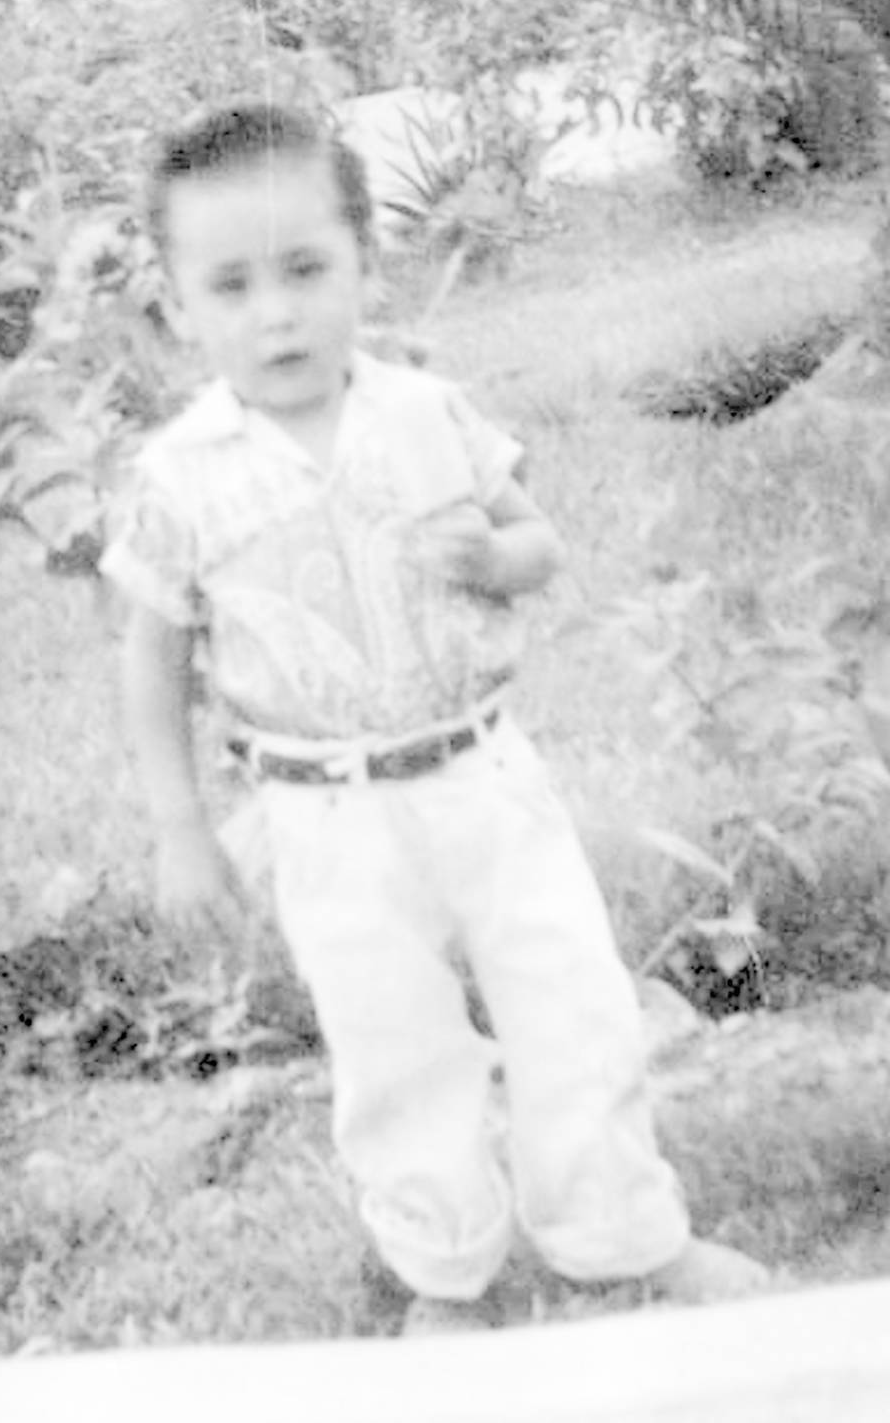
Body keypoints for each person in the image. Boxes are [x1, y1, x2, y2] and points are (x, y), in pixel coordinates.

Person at [100, 101, 768, 1336]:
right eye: (231, 286)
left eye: (306, 269)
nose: (276, 313)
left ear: (366, 261)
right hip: (325, 813)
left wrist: (499, 558)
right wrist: (178, 826)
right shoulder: (180, 477)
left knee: (570, 1001)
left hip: (481, 777)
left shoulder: (425, 412)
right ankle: (447, 1272)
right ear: (178, 305)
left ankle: (623, 1235)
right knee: (394, 1048)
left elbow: (538, 542)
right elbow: (151, 655)